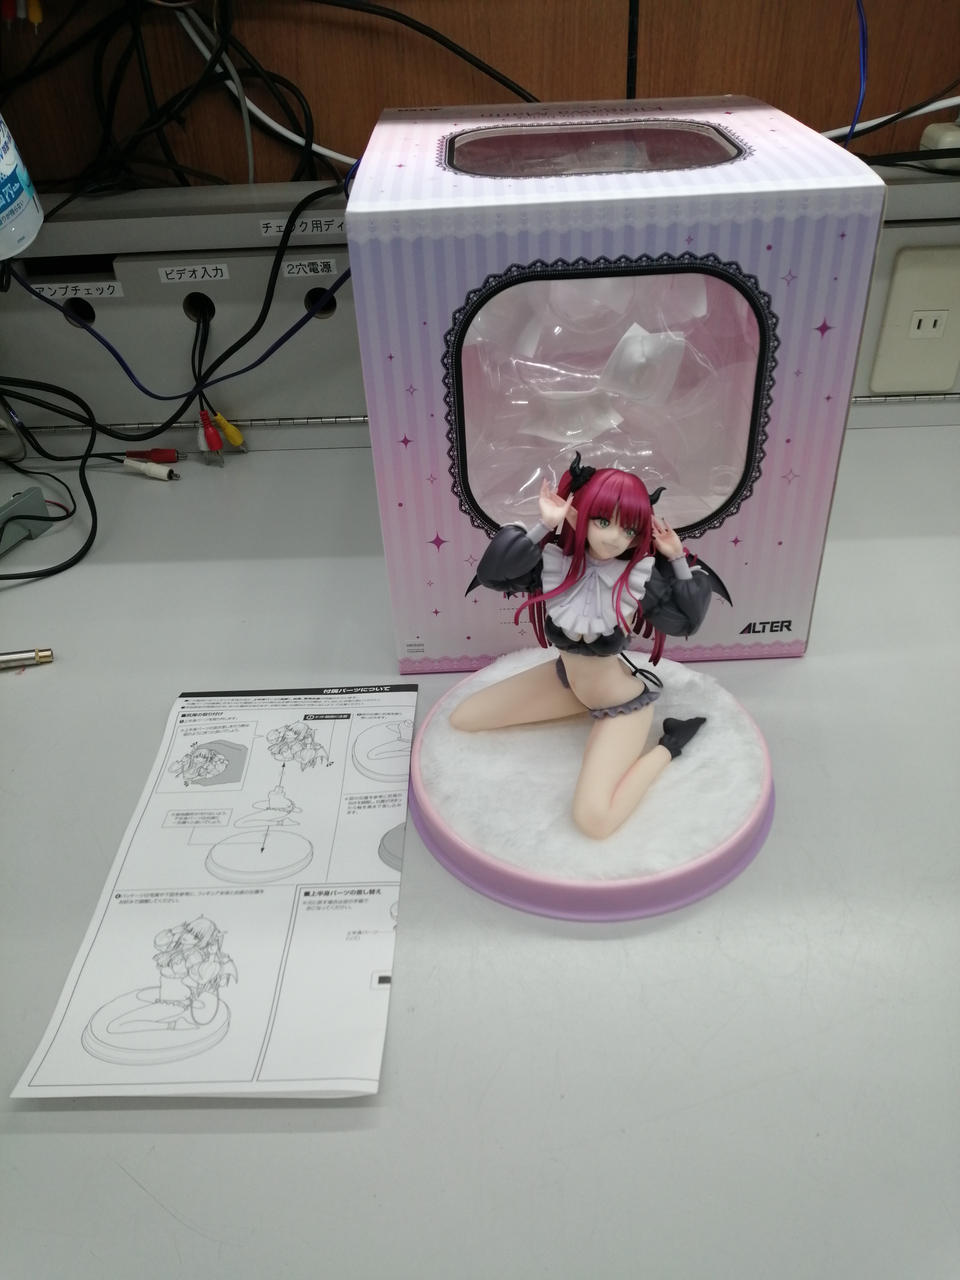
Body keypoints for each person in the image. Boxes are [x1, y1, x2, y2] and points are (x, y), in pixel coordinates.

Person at [450, 454, 713, 839]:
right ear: (580, 514)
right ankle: (581, 706)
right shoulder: (556, 563)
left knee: (594, 820)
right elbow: (493, 575)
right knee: (464, 717)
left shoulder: (639, 578)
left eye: (628, 529)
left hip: (620, 703)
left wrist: (676, 559)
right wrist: (544, 525)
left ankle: (671, 743)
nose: (614, 538)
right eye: (603, 521)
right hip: (566, 685)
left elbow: (687, 621)